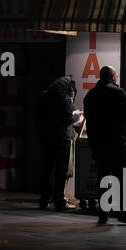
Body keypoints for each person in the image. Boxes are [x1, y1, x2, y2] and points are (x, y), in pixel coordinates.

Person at [83, 66, 126, 224]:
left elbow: (88, 120)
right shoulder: (118, 92)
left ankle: (103, 213)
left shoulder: (90, 95)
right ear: (112, 76)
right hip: (116, 142)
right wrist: (122, 129)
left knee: (102, 178)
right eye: (116, 75)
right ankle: (125, 214)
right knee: (122, 179)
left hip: (99, 144)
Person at [37, 75, 83, 210]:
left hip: (47, 138)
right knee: (60, 172)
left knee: (46, 170)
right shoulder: (65, 98)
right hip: (62, 139)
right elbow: (68, 118)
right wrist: (78, 115)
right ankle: (58, 201)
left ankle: (44, 200)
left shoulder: (45, 95)